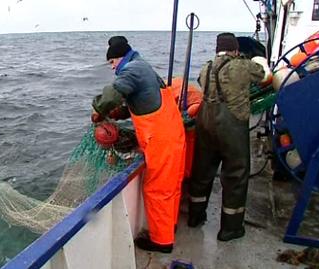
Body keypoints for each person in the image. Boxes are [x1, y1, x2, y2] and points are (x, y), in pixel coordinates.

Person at [92, 36, 186, 253]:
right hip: (173, 135)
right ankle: (169, 227)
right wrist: (122, 112)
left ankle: (162, 241)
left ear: (120, 57)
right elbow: (145, 100)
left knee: (157, 189)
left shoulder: (132, 70)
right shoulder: (144, 67)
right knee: (171, 186)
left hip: (161, 140)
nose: (112, 67)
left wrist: (99, 110)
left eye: (112, 62)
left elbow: (112, 94)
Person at [187, 33, 264, 241]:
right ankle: (230, 228)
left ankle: (195, 216)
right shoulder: (242, 65)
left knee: (202, 172)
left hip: (205, 124)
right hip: (232, 128)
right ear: (235, 49)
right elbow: (263, 74)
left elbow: (204, 85)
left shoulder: (206, 67)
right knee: (236, 175)